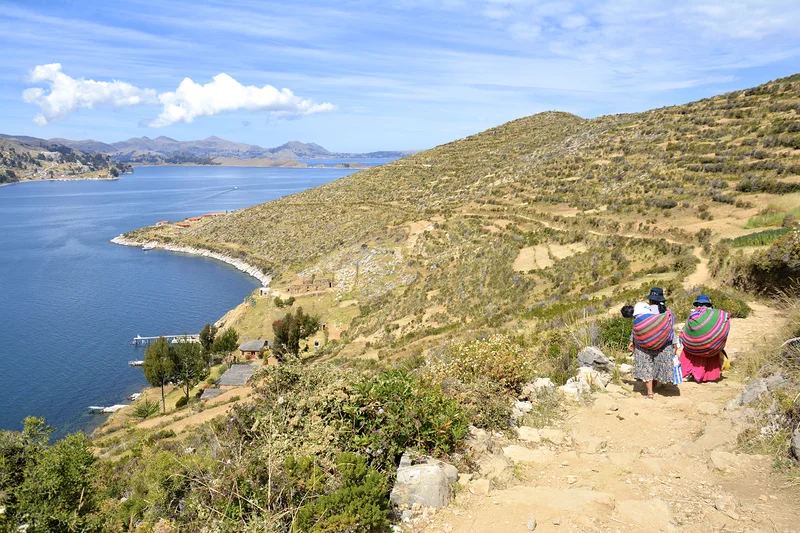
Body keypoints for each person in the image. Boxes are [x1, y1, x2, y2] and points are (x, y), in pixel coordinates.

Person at [628, 288, 678, 399]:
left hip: (644, 343)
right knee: (657, 363)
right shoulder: (667, 313)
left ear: (650, 300)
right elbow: (670, 329)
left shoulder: (644, 310)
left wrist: (632, 341)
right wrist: (674, 344)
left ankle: (650, 392)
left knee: (646, 365)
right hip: (663, 343)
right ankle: (657, 383)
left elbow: (637, 326)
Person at [679, 294, 731, 382]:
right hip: (710, 346)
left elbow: (687, 329)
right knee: (708, 347)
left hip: (694, 346)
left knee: (691, 347)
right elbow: (725, 318)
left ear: (698, 304)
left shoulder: (693, 315)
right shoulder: (715, 314)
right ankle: (706, 375)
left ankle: (692, 372)